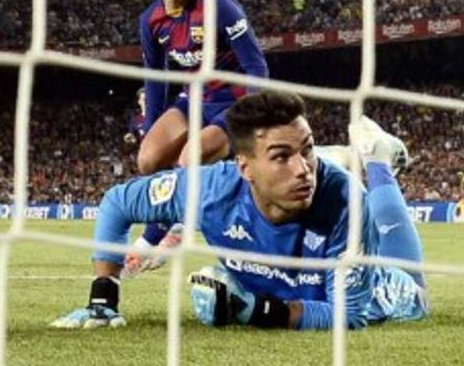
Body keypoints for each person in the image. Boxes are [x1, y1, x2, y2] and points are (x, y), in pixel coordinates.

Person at [49, 91, 427, 331]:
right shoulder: (210, 190)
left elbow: (347, 315)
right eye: (282, 156)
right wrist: (103, 298)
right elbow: (118, 202)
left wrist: (254, 312)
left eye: (307, 150)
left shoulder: (345, 202)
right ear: (243, 167)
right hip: (287, 269)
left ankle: (377, 159)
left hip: (383, 291)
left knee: (414, 290)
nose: (302, 168)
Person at [121, 0, 269, 274]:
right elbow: (157, 82)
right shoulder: (151, 21)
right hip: (196, 100)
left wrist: (250, 117)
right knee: (147, 159)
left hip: (234, 100)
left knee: (190, 158)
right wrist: (150, 127)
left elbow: (255, 65)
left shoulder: (219, 5)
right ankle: (170, 221)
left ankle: (166, 232)